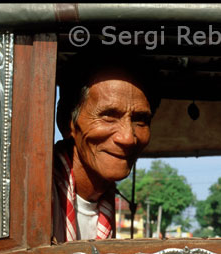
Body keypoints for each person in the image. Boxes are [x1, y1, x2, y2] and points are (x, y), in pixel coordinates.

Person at [52, 52, 160, 243]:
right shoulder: (31, 201)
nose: (128, 138)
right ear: (66, 122)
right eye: (109, 116)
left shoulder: (105, 204)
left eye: (140, 121)